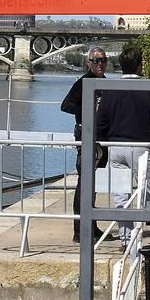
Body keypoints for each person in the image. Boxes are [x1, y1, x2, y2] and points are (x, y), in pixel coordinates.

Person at [95, 48, 150, 243]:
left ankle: (125, 238)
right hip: (140, 146)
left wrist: (104, 141)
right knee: (148, 193)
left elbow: (100, 122)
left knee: (121, 195)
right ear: (140, 64)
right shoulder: (148, 90)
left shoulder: (111, 90)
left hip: (115, 147)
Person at [61, 47, 108, 243]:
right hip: (86, 137)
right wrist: (87, 107)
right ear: (88, 62)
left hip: (101, 138)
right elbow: (65, 106)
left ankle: (91, 225)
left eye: (103, 60)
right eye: (95, 60)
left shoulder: (104, 82)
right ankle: (79, 230)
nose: (99, 64)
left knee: (92, 185)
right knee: (84, 183)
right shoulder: (82, 83)